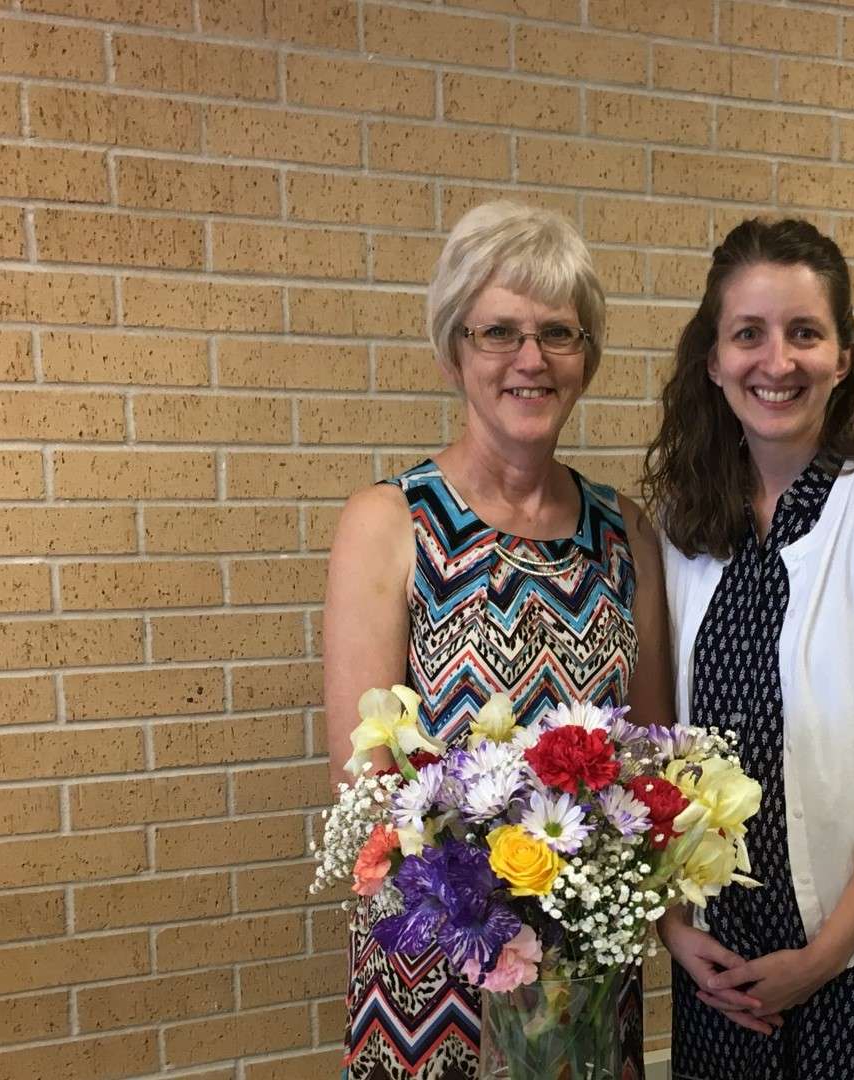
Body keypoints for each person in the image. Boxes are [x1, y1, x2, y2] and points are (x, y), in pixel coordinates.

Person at [321, 202, 673, 1080]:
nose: (531, 359)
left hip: (588, 985)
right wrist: (496, 910)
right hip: (434, 980)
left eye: (558, 333)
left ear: (586, 357)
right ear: (454, 350)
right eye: (499, 333)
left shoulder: (627, 533)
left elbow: (658, 766)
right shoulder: (389, 524)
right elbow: (367, 785)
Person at [643, 218, 854, 1079]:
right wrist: (674, 928)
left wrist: (820, 958)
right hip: (721, 977)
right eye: (748, 334)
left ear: (845, 355)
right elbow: (657, 752)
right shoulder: (687, 527)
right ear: (713, 359)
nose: (776, 361)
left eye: (805, 333)